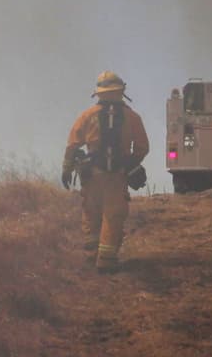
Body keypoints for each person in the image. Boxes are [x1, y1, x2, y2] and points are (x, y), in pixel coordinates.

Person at [62, 71, 149, 272]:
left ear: (99, 93)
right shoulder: (132, 117)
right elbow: (142, 147)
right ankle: (107, 261)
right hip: (117, 177)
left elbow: (73, 145)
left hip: (91, 175)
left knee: (91, 213)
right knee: (113, 215)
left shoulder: (87, 116)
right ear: (121, 91)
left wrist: (67, 168)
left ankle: (91, 256)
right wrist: (129, 164)